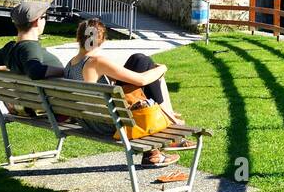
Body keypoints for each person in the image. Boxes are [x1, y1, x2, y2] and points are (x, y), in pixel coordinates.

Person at [64, 17, 191, 168]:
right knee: (141, 61)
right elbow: (141, 80)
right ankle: (169, 120)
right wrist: (162, 68)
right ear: (102, 40)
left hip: (90, 122)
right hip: (111, 125)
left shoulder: (71, 64)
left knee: (139, 61)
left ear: (78, 38)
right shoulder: (97, 62)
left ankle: (157, 142)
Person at [0, 0, 65, 80]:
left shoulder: (8, 50)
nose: (46, 20)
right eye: (46, 17)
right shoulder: (30, 48)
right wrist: (65, 71)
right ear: (37, 21)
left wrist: (8, 67)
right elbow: (35, 72)